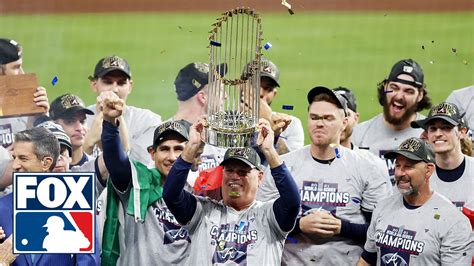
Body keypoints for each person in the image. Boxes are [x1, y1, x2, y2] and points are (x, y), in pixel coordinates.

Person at [258, 86, 392, 265]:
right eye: (314, 117)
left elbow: (383, 232)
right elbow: (261, 223)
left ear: (344, 123)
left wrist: (342, 227)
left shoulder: (368, 166)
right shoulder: (284, 165)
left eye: (328, 118)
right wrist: (299, 225)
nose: (319, 123)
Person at [162, 116, 300, 265]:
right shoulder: (202, 212)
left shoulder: (269, 216)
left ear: (260, 177)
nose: (234, 177)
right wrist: (192, 146)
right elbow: (171, 194)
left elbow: (292, 202)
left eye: (243, 172)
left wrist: (269, 150)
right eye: (229, 170)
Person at [99, 91, 196, 265]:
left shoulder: (199, 191)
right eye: (165, 149)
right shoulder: (138, 182)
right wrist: (110, 123)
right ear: (152, 153)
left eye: (179, 149)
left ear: (189, 151)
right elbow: (116, 161)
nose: (172, 157)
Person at [357, 137, 473, 266]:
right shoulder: (382, 207)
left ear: (428, 170)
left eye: (408, 166)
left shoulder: (453, 221)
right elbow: (367, 259)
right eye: (397, 166)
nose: (400, 173)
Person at [0, 127, 100, 265]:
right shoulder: (2, 206)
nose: (15, 165)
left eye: (23, 158)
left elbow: (88, 262)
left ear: (46, 163)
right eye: (14, 158)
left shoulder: (77, 202)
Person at [352, 59, 432, 184]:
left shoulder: (430, 134)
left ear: (420, 95)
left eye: (408, 91)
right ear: (385, 88)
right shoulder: (359, 135)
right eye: (394, 88)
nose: (399, 96)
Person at [86, 55, 161, 165]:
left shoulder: (148, 121)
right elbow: (71, 166)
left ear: (130, 86)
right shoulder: (79, 119)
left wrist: (115, 115)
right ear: (94, 84)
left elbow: (134, 166)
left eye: (121, 83)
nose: (115, 89)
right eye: (108, 82)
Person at [411, 102, 474, 224]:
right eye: (433, 128)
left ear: (462, 132)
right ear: (427, 135)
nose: (438, 133)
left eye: (446, 127)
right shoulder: (417, 175)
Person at [0, 38, 50, 149]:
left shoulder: (23, 103)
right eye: (16, 67)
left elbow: (44, 149)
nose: (22, 73)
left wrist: (39, 117)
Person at [258, 57, 304, 152]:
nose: (261, 93)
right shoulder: (225, 123)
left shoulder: (290, 124)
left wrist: (275, 136)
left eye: (268, 88)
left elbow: (292, 166)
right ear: (242, 86)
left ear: (274, 94)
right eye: (254, 85)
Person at [49, 93, 95, 167]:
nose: (79, 128)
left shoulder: (96, 167)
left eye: (82, 121)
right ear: (54, 125)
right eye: (70, 121)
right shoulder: (43, 170)